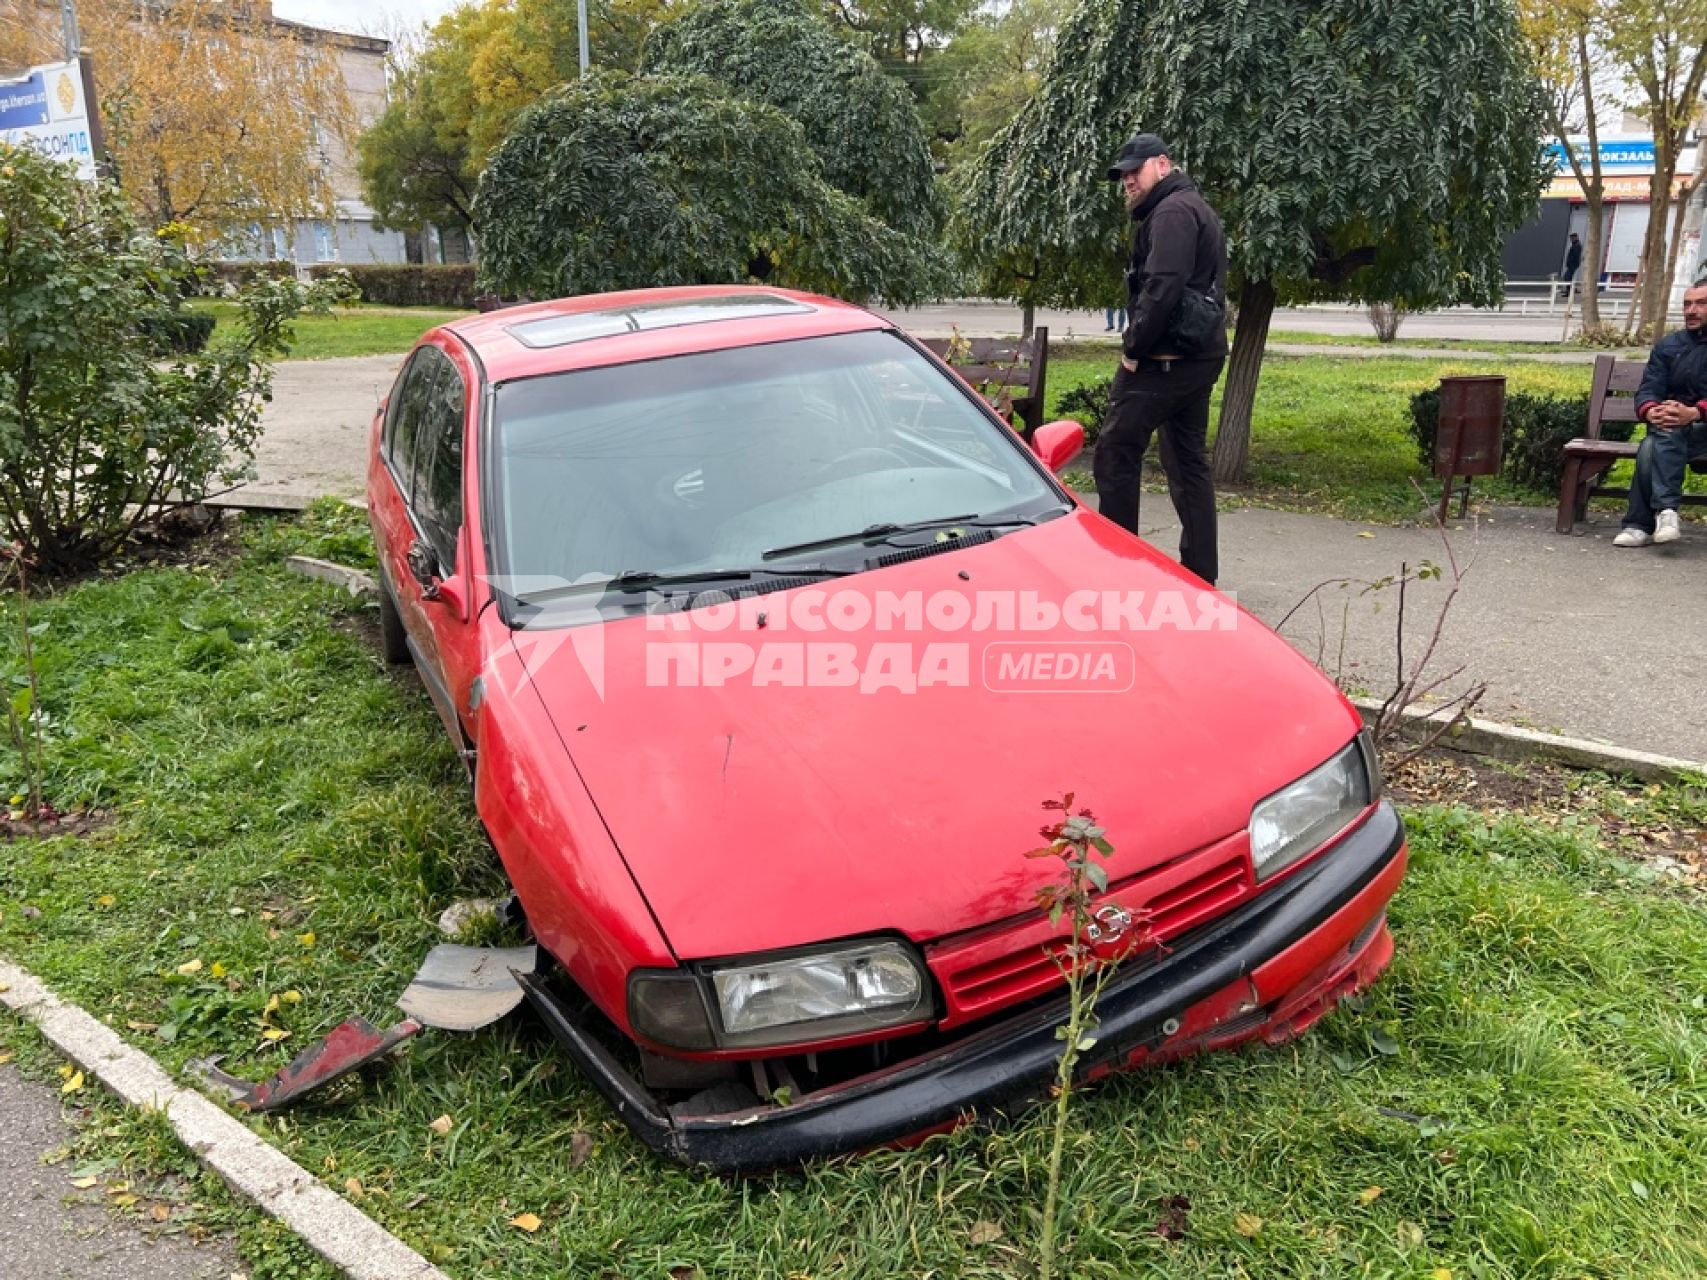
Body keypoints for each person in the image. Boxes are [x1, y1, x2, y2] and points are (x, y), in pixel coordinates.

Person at [1094, 132, 1228, 584]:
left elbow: (1162, 287)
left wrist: (1133, 348)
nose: (1128, 180)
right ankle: (1200, 577)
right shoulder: (1189, 206)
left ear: (1163, 165)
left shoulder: (1172, 211)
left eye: (1136, 170)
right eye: (1124, 174)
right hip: (1197, 357)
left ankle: (1117, 574)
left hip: (1166, 361)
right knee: (1187, 462)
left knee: (1115, 453)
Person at [1612, 278, 1707, 548]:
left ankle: (1639, 524)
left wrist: (1696, 412)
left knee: (1654, 443)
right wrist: (1651, 410)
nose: (1691, 310)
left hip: (1703, 428)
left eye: (1701, 303)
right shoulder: (1669, 346)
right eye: (1687, 304)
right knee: (1658, 437)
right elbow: (1648, 389)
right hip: (1676, 429)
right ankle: (1665, 515)